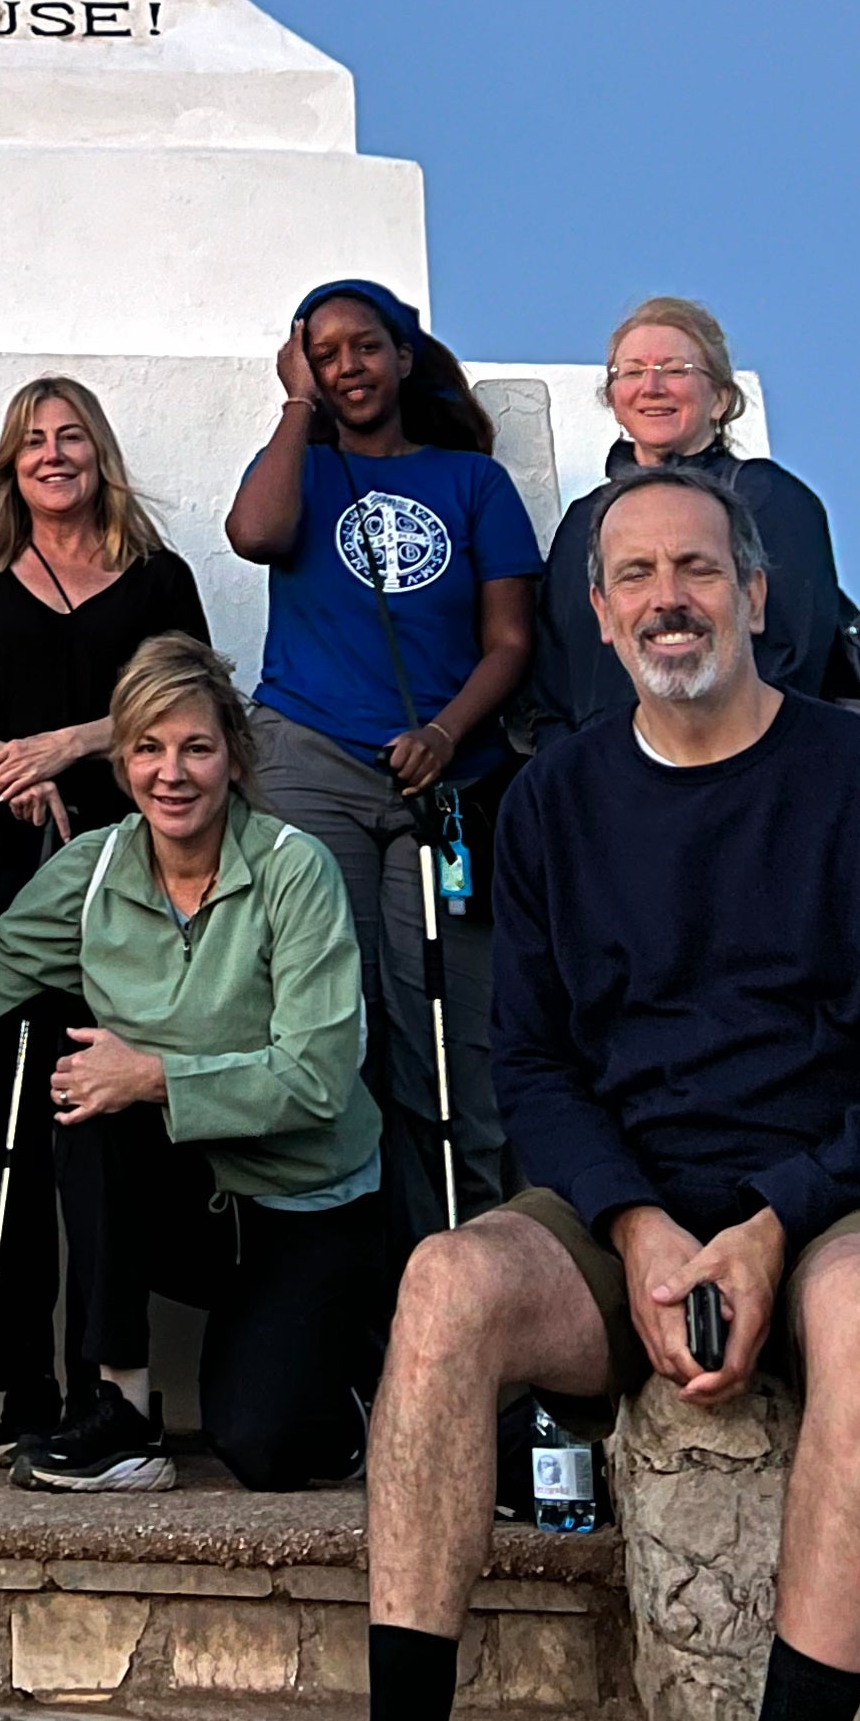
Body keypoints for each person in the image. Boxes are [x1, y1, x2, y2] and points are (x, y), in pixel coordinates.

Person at [289, 456, 860, 1721]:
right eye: (633, 578)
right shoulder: (556, 798)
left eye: (696, 570)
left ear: (756, 595)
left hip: (850, 1197)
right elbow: (535, 1067)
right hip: (630, 1218)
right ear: (600, 620)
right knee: (444, 1285)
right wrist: (630, 1229)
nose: (666, 600)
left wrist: (770, 1223)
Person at [0, 633, 381, 1495]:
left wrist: (156, 1075)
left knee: (267, 1450)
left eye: (197, 748)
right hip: (191, 1207)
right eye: (148, 748)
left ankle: (348, 1365)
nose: (172, 772)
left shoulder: (295, 870)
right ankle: (125, 1416)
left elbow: (319, 1079)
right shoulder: (93, 872)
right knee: (89, 1101)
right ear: (124, 761)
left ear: (233, 760)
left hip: (301, 1205)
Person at [0, 377, 209, 1450]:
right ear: (10, 463)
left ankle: (108, 1381)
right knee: (1, 1134)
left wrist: (76, 744)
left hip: (137, 873)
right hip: (4, 871)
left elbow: (188, 699)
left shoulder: (157, 578)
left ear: (102, 455)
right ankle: (21, 1387)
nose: (53, 454)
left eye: (72, 436)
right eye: (33, 440)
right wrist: (5, 764)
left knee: (98, 1125)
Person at [226, 282, 541, 1243]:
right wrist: (293, 410)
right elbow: (255, 535)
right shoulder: (302, 469)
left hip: (443, 778)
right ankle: (346, 1302)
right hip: (310, 758)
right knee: (330, 1019)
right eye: (324, 355)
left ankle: (463, 1278)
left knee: (447, 1038)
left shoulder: (472, 483)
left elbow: (511, 641)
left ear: (405, 359)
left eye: (365, 347)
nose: (347, 367)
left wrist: (446, 733)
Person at [530, 298, 845, 739]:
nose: (652, 386)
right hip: (604, 789)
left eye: (676, 370)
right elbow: (553, 684)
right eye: (633, 371)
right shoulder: (586, 522)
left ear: (720, 399)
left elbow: (794, 662)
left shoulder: (768, 499)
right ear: (614, 400)